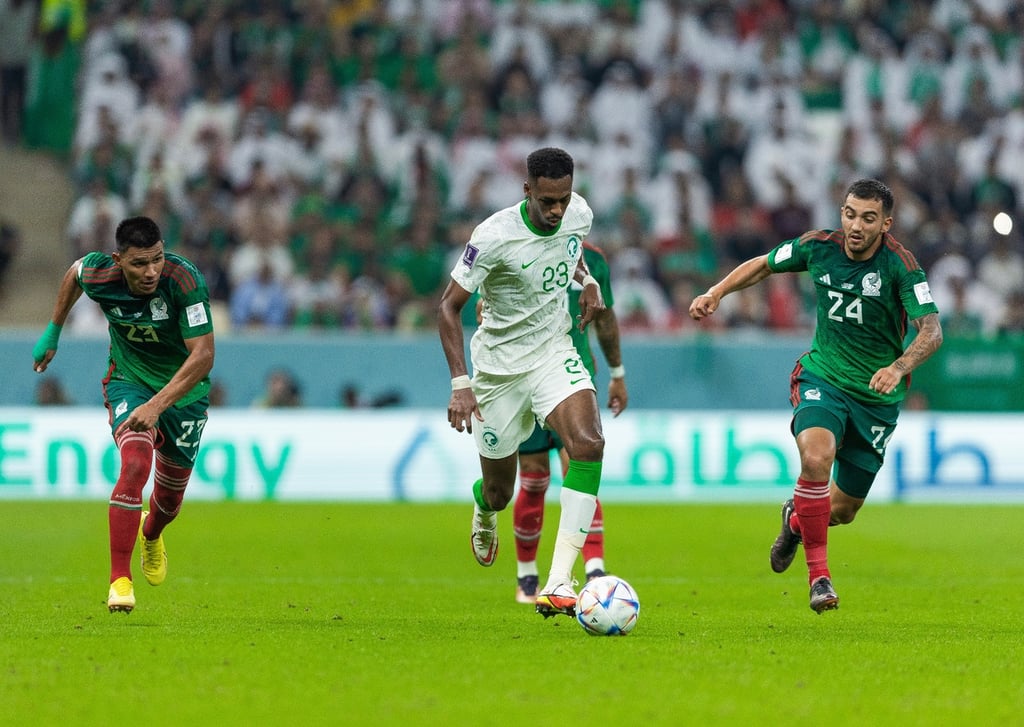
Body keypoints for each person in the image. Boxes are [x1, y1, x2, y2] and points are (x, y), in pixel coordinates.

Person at [688, 178, 943, 613]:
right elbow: (765, 264)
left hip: (876, 399)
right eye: (849, 214)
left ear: (886, 223)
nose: (856, 226)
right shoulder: (817, 247)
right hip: (822, 377)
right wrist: (717, 292)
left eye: (868, 218)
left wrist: (898, 367)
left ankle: (794, 520)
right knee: (816, 457)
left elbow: (932, 330)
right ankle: (819, 578)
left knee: (842, 510)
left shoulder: (900, 265)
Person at [438, 147, 606, 619]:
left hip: (553, 351)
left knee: (589, 443)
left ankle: (558, 582)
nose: (557, 211)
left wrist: (587, 281)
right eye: (548, 201)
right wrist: (460, 384)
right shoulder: (492, 237)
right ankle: (483, 507)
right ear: (527, 190)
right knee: (501, 491)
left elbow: (568, 254)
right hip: (498, 371)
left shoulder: (578, 215)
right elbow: (448, 308)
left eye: (564, 200)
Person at [33, 215, 215, 614]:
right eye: (139, 263)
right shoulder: (102, 273)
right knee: (134, 464)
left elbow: (203, 355)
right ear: (119, 260)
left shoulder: (183, 280)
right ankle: (120, 580)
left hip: (182, 393)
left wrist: (157, 405)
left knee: (168, 502)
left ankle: (151, 535)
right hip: (128, 381)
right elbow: (74, 273)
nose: (151, 271)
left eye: (157, 259)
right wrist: (53, 331)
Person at [510, 239, 628, 605]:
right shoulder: (514, 247)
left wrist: (617, 372)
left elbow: (605, 318)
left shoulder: (593, 258)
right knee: (533, 480)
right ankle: (526, 575)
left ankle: (594, 568)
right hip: (526, 376)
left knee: (580, 460)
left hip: (573, 375)